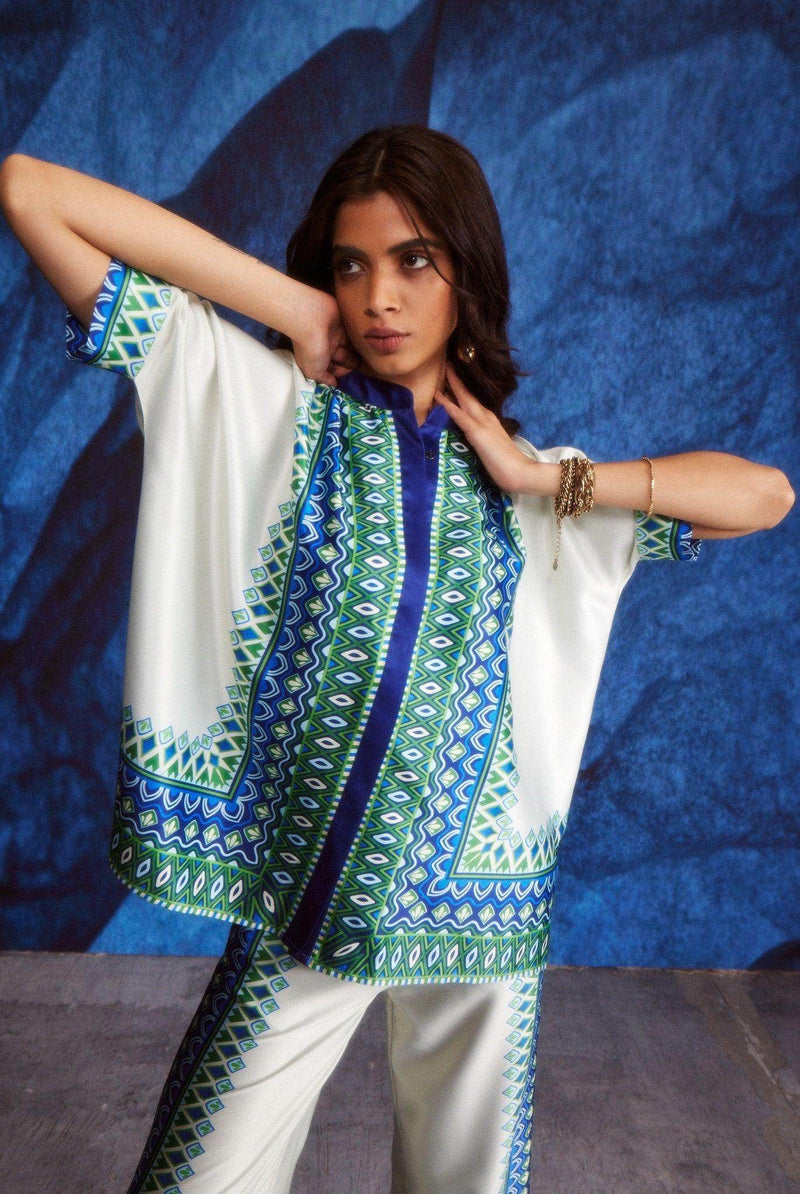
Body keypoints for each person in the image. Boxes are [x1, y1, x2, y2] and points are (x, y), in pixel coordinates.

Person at [0, 125, 793, 1194]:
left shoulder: (534, 491)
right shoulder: (262, 407)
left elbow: (762, 496)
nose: (379, 296)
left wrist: (546, 480)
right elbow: (32, 189)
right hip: (315, 899)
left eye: (414, 260)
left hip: (481, 913)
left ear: (468, 273)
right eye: (350, 264)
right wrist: (292, 309)